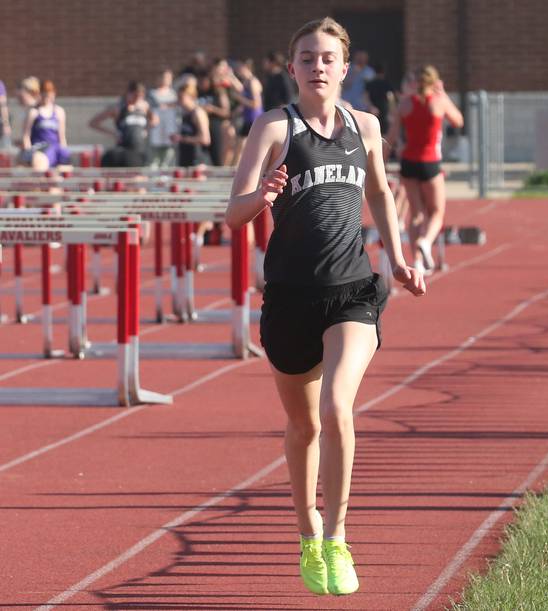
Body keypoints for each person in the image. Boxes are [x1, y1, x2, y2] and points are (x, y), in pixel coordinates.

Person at [225, 16, 425, 596]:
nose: (317, 66)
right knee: (303, 424)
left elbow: (381, 193)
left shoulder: (365, 126)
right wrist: (259, 197)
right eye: (307, 58)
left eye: (327, 58)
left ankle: (337, 535)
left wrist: (398, 258)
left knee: (339, 406)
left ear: (345, 67)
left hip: (353, 290)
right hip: (289, 295)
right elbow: (232, 214)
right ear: (292, 68)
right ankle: (308, 529)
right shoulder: (272, 128)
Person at [386, 65, 464, 274]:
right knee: (437, 211)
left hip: (409, 161)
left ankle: (418, 261)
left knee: (416, 214)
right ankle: (426, 242)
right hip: (430, 162)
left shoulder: (404, 104)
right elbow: (458, 121)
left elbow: (392, 137)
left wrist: (382, 160)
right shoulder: (439, 101)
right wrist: (444, 94)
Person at [91, 81, 156, 167]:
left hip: (139, 149)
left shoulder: (144, 106)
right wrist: (113, 133)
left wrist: (145, 130)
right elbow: (93, 123)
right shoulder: (118, 108)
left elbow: (155, 120)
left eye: (140, 96)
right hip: (124, 150)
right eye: (135, 95)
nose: (137, 99)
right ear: (128, 94)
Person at [20, 80, 70, 170]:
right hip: (40, 148)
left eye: (48, 94)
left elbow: (62, 136)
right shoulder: (33, 112)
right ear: (39, 94)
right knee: (40, 164)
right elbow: (25, 136)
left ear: (53, 94)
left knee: (65, 166)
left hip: (55, 148)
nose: (46, 97)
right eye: (43, 94)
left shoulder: (59, 111)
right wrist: (28, 153)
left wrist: (64, 152)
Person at [230, 59, 263, 165]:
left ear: (246, 67)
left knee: (243, 146)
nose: (238, 70)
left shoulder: (253, 82)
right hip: (247, 118)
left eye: (240, 68)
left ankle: (235, 170)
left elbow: (255, 104)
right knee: (240, 146)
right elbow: (238, 87)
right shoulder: (246, 82)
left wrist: (239, 98)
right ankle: (234, 169)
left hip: (254, 119)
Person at [172, 81, 211, 167]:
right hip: (185, 159)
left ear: (191, 97)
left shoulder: (198, 113)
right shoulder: (185, 114)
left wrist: (183, 139)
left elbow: (205, 139)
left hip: (197, 160)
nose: (178, 101)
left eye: (181, 97)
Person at [147, 68, 178, 167]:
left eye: (169, 78)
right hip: (155, 131)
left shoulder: (174, 94)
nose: (166, 80)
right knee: (153, 161)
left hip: (170, 130)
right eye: (164, 77)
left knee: (168, 159)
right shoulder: (152, 94)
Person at [364, 62, 395, 135]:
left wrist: (371, 106)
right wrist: (392, 110)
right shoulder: (387, 83)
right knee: (384, 132)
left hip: (373, 111)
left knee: (372, 132)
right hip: (384, 110)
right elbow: (390, 97)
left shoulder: (370, 83)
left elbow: (365, 97)